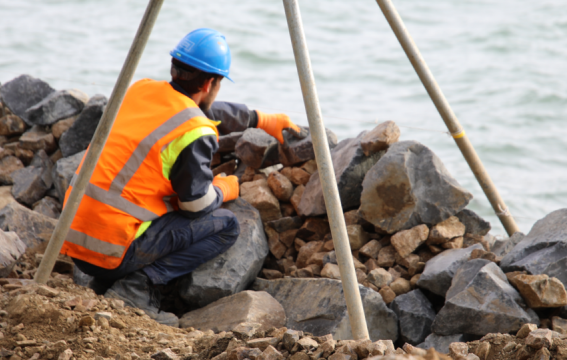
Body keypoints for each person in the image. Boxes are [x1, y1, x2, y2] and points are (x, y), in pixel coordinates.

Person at [60, 28, 301, 327]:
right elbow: (195, 206)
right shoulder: (194, 131)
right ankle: (135, 288)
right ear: (212, 82)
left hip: (74, 238)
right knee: (226, 225)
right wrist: (225, 188)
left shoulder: (140, 89)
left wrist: (259, 118)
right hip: (112, 253)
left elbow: (194, 110)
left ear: (175, 67)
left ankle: (102, 282)